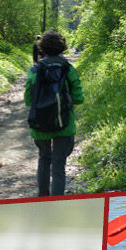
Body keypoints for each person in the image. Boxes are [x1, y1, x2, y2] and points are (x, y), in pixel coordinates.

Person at [23, 29, 83, 197]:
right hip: (64, 124)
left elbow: (28, 99)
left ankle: (43, 200)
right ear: (62, 47)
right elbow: (79, 98)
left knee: (43, 158)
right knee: (58, 167)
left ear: (42, 48)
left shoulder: (34, 70)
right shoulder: (68, 68)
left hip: (40, 123)